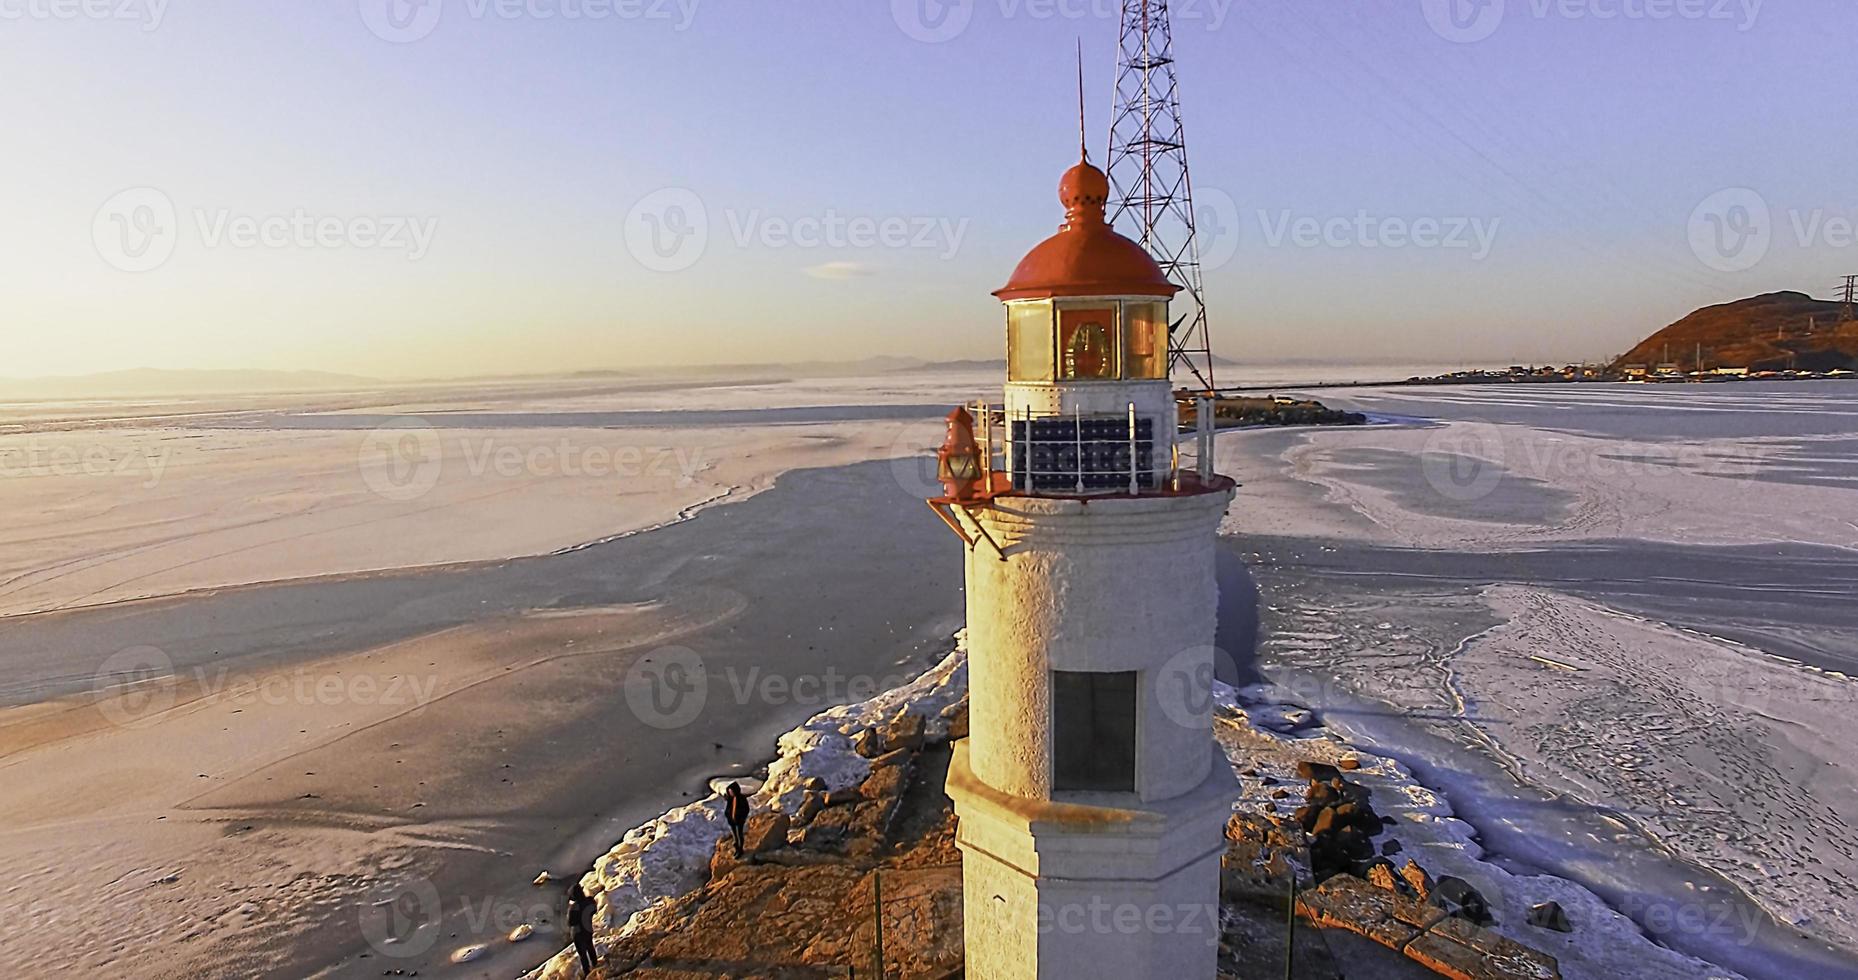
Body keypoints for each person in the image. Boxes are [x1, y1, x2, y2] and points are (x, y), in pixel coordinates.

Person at [566, 881, 598, 977]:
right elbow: (594, 910)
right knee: (590, 947)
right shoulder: (589, 901)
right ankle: (595, 964)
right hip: (587, 929)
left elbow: (570, 922)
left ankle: (587, 973)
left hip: (577, 933)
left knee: (582, 954)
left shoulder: (573, 907)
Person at [724, 782, 751, 857]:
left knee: (739, 835)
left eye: (731, 792)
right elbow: (728, 809)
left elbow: (746, 809)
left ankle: (740, 850)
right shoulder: (730, 799)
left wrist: (741, 817)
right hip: (732, 821)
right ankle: (737, 849)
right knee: (735, 836)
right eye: (729, 792)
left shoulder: (742, 798)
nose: (730, 793)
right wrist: (727, 815)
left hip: (739, 821)